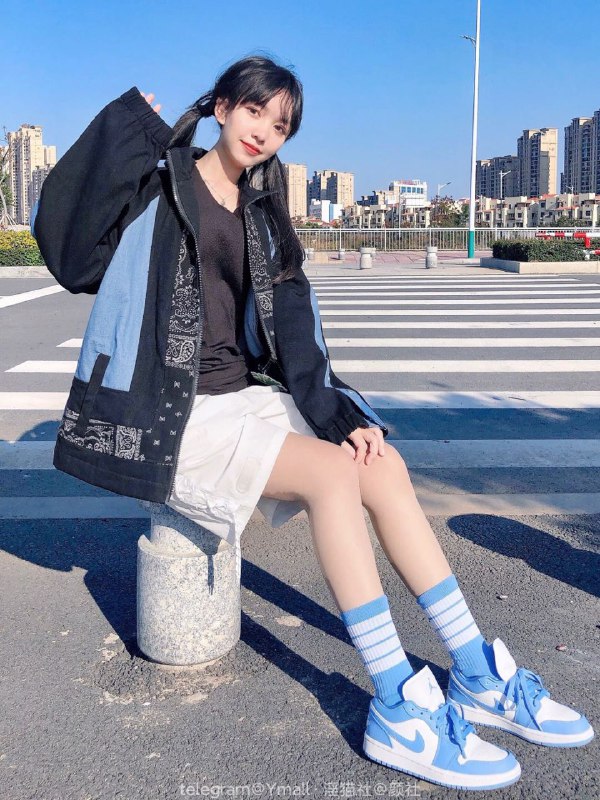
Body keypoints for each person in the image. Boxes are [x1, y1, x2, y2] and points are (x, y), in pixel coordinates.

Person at [32, 55, 594, 792]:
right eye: (255, 111)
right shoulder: (161, 184)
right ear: (222, 107)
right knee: (332, 479)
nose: (264, 131)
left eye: (281, 124)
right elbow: (71, 253)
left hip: (244, 397)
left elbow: (296, 323)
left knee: (379, 462)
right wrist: (127, 129)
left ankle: (476, 672)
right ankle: (395, 703)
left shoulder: (263, 210)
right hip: (176, 413)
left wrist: (338, 412)